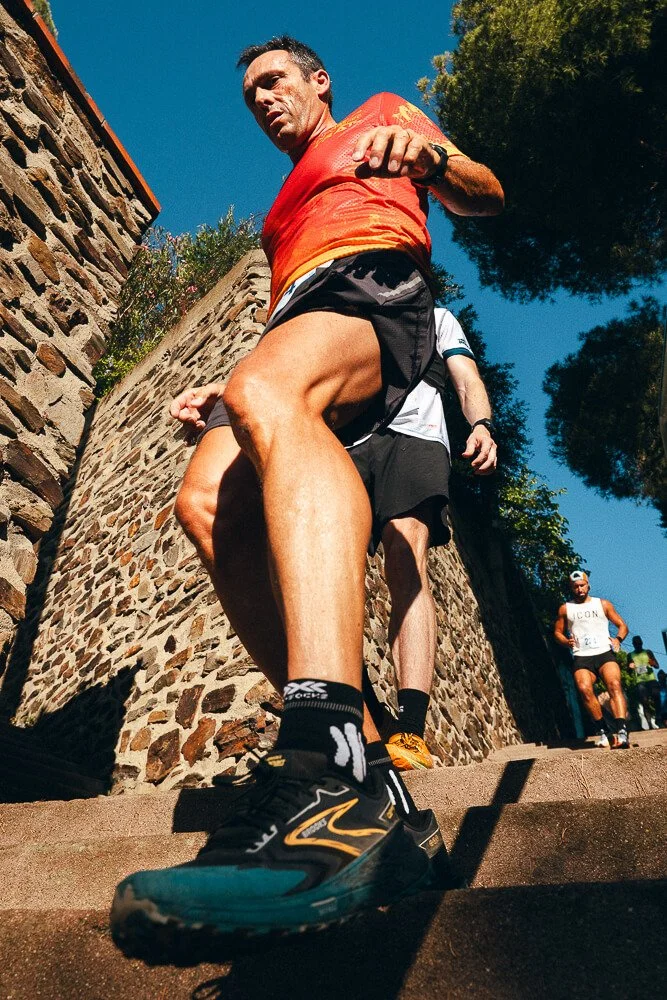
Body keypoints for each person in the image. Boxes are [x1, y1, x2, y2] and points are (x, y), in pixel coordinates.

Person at [111, 36, 503, 955]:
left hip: (375, 282)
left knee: (269, 392)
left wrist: (433, 159)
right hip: (295, 321)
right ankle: (378, 797)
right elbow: (283, 319)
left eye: (273, 82)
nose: (262, 101)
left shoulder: (375, 115)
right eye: (249, 95)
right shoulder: (279, 209)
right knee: (205, 503)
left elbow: (484, 191)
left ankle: (322, 752)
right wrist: (232, 382)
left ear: (316, 81)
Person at [350, 306, 497, 771]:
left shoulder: (438, 317)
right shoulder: (346, 308)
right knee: (330, 574)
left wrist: (482, 425)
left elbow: (466, 378)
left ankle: (410, 730)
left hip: (416, 435)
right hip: (347, 442)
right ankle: (367, 717)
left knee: (404, 553)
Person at [554, 571, 629, 749]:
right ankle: (603, 731)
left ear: (588, 585)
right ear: (571, 588)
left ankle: (621, 730)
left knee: (614, 685)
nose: (579, 589)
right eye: (575, 586)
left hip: (604, 653)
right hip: (582, 656)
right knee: (584, 689)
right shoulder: (566, 609)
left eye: (582, 585)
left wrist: (618, 639)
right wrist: (566, 641)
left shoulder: (602, 604)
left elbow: (622, 625)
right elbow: (557, 632)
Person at [627, 636, 661, 730]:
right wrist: (630, 667)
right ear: (633, 645)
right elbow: (628, 671)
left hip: (651, 679)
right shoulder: (630, 655)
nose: (638, 645)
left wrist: (652, 663)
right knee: (644, 701)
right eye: (636, 644)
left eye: (639, 644)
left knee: (657, 696)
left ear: (642, 643)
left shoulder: (648, 652)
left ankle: (658, 717)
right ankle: (649, 723)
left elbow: (657, 666)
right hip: (640, 681)